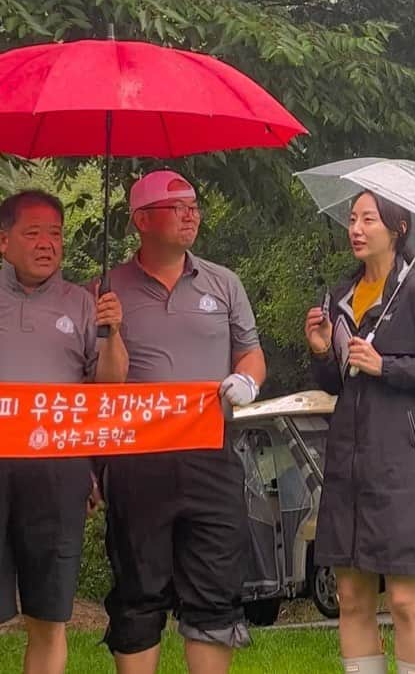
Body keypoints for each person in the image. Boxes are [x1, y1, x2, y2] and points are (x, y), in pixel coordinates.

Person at [102, 170, 266, 674]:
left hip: (211, 452)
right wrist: (108, 331)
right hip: (136, 459)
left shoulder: (224, 281)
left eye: (193, 204)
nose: (191, 214)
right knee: (138, 588)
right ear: (141, 220)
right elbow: (102, 386)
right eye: (177, 206)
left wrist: (248, 382)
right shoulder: (106, 288)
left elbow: (252, 354)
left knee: (216, 586)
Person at [304, 190, 415, 674]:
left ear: (397, 229)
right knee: (351, 595)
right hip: (349, 467)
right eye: (352, 218)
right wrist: (319, 351)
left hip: (404, 469)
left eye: (368, 219)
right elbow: (339, 382)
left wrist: (387, 365)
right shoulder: (339, 297)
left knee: (401, 598)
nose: (356, 228)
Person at [0, 189, 127, 674]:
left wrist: (112, 331)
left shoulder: (84, 303)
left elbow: (111, 386)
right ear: (4, 241)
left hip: (58, 474)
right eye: (32, 233)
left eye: (54, 234)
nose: (46, 244)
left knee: (48, 616)